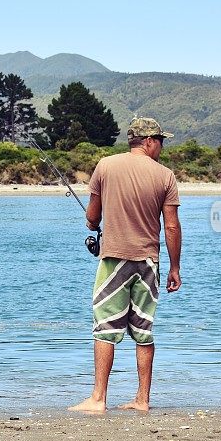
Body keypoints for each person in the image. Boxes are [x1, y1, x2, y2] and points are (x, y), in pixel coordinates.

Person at [68, 117, 182, 413]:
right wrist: (174, 268)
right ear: (148, 141)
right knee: (144, 330)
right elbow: (171, 227)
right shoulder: (165, 176)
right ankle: (142, 400)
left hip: (114, 259)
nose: (161, 147)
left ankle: (98, 398)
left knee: (105, 326)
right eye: (160, 141)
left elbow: (93, 217)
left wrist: (93, 222)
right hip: (148, 262)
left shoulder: (105, 166)